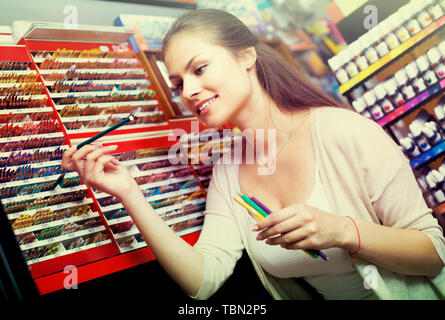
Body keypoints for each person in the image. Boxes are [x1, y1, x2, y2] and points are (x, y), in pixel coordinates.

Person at [62, 9, 445, 300]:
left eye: (200, 68)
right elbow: (204, 278)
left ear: (246, 57)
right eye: (178, 83)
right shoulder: (228, 173)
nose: (189, 91)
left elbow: (433, 253)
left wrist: (344, 231)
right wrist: (129, 192)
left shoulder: (343, 131)